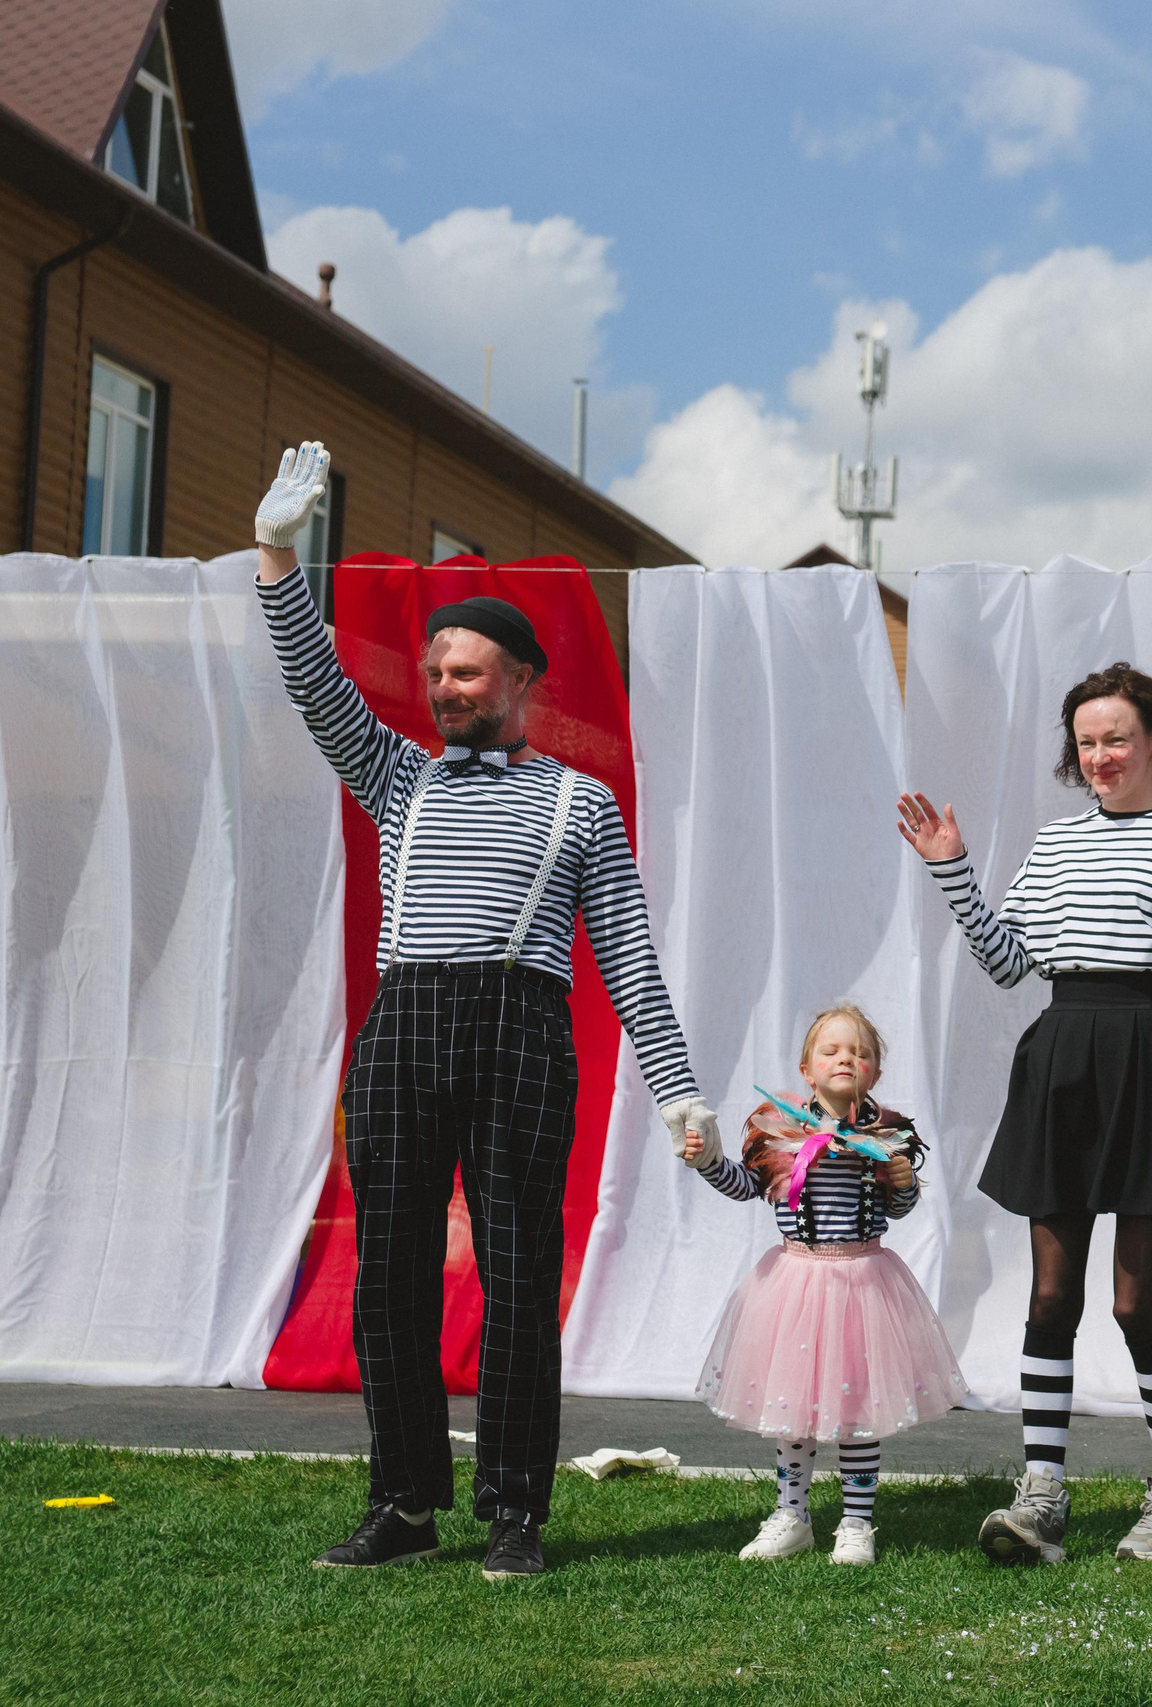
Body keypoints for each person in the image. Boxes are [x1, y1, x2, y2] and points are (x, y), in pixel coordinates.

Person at [250, 443, 719, 1580]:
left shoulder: (582, 802)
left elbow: (632, 961)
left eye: (467, 672)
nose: (444, 687)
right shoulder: (397, 776)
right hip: (405, 1026)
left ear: (520, 680)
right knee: (390, 1270)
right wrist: (275, 556)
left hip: (522, 1031)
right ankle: (403, 1502)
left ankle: (517, 1510)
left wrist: (678, 1092)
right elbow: (315, 683)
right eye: (436, 671)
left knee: (514, 1273)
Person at [896, 662, 1152, 1566]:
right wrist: (953, 870)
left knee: (1133, 1301)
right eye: (1086, 742)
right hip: (1064, 1058)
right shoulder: (1059, 842)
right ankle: (1042, 1499)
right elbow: (1007, 962)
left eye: (1116, 737)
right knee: (1048, 1295)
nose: (1101, 755)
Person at [683, 1005, 966, 1566]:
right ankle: (793, 1514)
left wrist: (904, 1179)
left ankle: (857, 1522)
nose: (847, 1059)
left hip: (864, 1283)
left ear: (875, 1073)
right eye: (832, 1051)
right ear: (807, 1070)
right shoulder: (780, 1129)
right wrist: (709, 1160)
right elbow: (746, 1187)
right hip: (797, 1283)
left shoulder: (888, 1134)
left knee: (859, 1405)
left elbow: (899, 1207)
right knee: (794, 1404)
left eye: (860, 1053)